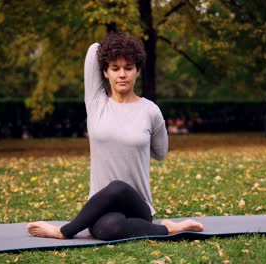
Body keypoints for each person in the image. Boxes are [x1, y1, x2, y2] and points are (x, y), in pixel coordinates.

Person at [26, 32, 204, 241]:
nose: (122, 74)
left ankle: (63, 232)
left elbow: (160, 153)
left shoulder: (150, 111)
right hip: (100, 208)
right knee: (111, 229)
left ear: (137, 71)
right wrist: (114, 47)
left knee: (119, 187)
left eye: (128, 68)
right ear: (105, 72)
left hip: (138, 206)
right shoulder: (96, 103)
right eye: (115, 68)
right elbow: (94, 50)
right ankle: (169, 229)